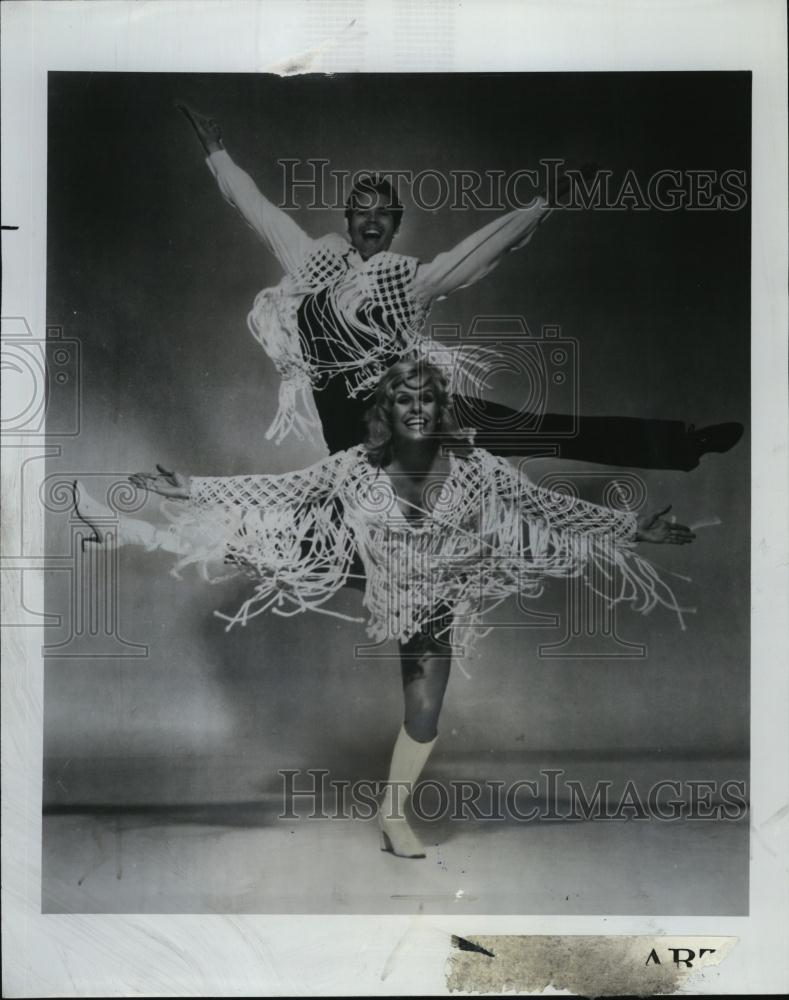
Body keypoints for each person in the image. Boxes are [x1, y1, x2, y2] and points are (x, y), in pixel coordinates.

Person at [74, 361, 695, 859]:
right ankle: (128, 532)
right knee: (262, 549)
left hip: (430, 594)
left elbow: (546, 509)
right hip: (364, 564)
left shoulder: (478, 469)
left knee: (425, 715)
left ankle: (392, 814)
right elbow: (281, 489)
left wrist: (635, 527)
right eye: (404, 398)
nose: (418, 407)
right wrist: (194, 486)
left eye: (427, 397)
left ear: (440, 408)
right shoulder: (355, 465)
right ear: (386, 411)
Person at [176, 103, 742, 469]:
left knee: (537, 431)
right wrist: (217, 153)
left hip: (413, 412)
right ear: (347, 220)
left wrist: (545, 203)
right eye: (361, 213)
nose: (371, 222)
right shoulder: (309, 260)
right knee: (346, 520)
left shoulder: (408, 282)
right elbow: (259, 211)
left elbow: (482, 250)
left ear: (396, 226)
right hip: (351, 439)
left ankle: (683, 442)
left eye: (384, 216)